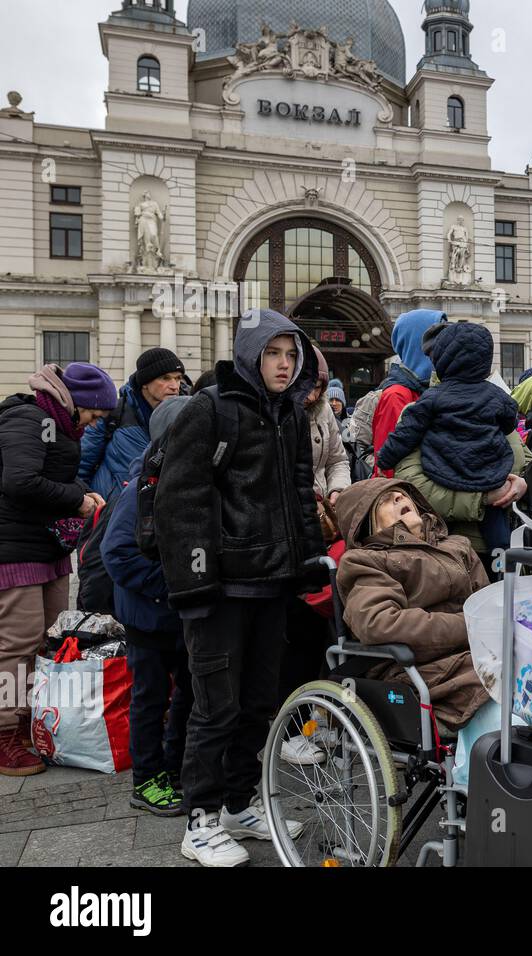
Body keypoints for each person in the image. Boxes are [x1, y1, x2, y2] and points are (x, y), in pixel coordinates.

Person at [155, 310, 325, 867]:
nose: (284, 364)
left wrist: (304, 563)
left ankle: (236, 803)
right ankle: (199, 821)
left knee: (258, 704)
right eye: (274, 352)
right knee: (214, 709)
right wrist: (197, 585)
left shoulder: (291, 415)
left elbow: (301, 491)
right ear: (252, 353)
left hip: (271, 586)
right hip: (220, 591)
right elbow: (180, 503)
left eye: (292, 354)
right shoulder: (211, 409)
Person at [334, 478, 503, 787]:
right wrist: (469, 627)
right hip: (419, 672)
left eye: (402, 493)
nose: (400, 496)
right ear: (367, 523)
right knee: (506, 699)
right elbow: (379, 623)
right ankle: (483, 785)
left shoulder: (457, 545)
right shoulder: (367, 561)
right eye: (386, 500)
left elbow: (487, 604)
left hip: (475, 655)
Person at [0, 362, 116, 776]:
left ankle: (31, 721)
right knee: (17, 643)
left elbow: (47, 477)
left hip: (46, 547)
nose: (93, 423)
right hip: (13, 548)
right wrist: (77, 500)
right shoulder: (28, 417)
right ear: (77, 402)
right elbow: (20, 481)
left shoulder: (59, 423)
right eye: (93, 414)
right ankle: (4, 734)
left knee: (45, 637)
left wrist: (82, 493)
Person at [101, 395, 194, 815]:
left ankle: (174, 766)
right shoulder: (142, 485)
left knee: (189, 690)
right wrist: (169, 587)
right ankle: (146, 779)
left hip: (178, 612)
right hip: (147, 613)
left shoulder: (187, 478)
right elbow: (116, 552)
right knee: (150, 696)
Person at [376, 322, 519, 559]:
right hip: (491, 479)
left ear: (441, 361)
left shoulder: (431, 399)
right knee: (500, 540)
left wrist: (385, 458)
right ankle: (503, 567)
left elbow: (406, 433)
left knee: (444, 539)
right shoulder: (497, 396)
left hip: (444, 474)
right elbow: (509, 423)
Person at [79, 347, 185, 499]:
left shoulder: (188, 413)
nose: (175, 386)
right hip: (110, 512)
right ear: (145, 383)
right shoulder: (114, 412)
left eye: (178, 378)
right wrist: (84, 503)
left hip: (161, 512)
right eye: (165, 378)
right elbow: (82, 464)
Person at [372, 309, 446, 477]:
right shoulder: (397, 395)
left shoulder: (428, 389)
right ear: (419, 344)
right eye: (438, 337)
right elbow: (387, 467)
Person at [304, 347, 350, 506]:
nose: (311, 396)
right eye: (306, 386)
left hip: (323, 507)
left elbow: (337, 461)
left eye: (317, 387)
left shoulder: (324, 410)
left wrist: (338, 489)